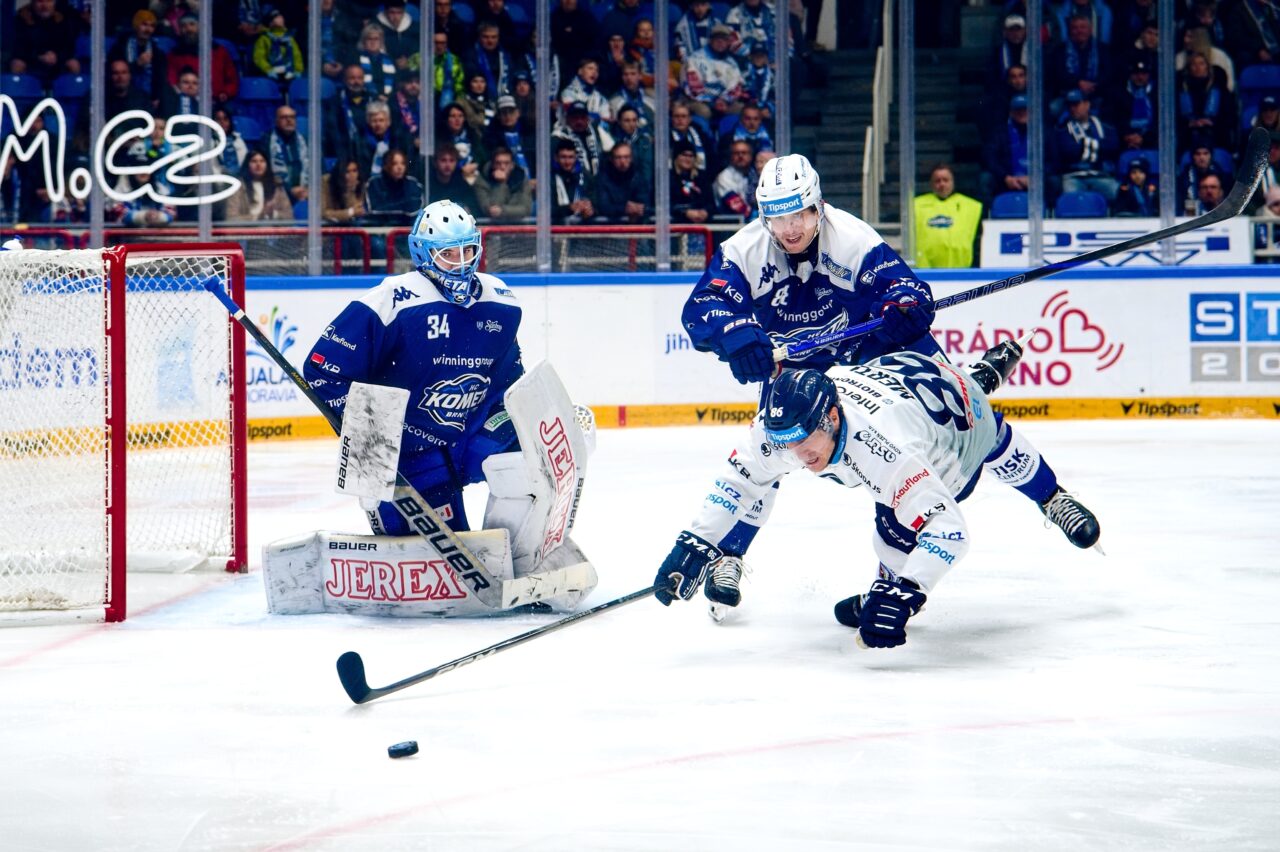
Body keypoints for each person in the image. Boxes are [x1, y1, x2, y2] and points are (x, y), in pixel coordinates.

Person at [651, 350, 1102, 647]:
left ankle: (1051, 496)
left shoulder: (885, 449)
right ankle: (978, 376)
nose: (795, 457)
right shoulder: (786, 426)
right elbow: (741, 480)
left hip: (957, 439)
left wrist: (907, 593)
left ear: (831, 417)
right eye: (784, 444)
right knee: (949, 421)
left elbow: (948, 529)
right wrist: (694, 540)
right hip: (910, 376)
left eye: (804, 443)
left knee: (902, 518)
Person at [302, 200, 523, 538]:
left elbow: (511, 381)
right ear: (423, 253)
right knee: (436, 544)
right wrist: (372, 443)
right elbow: (323, 370)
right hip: (406, 452)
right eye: (448, 254)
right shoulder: (393, 300)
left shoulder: (501, 302)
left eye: (468, 250)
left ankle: (523, 547)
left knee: (530, 455)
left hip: (466, 435)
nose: (461, 263)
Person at [912, 163, 983, 269]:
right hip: (924, 272)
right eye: (937, 181)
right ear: (931, 183)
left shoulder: (971, 206)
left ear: (953, 182)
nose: (942, 184)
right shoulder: (915, 205)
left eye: (946, 180)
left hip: (961, 272)